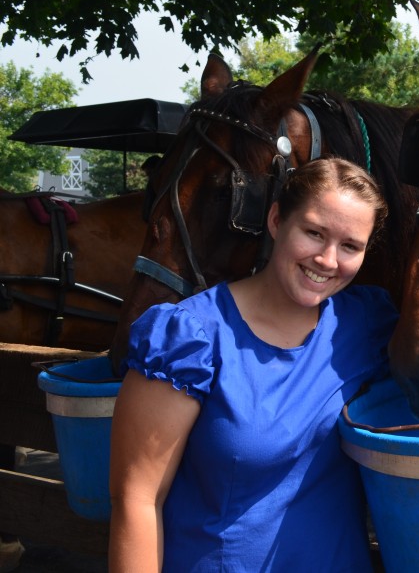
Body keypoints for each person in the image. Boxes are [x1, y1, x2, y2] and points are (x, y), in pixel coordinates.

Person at [109, 157, 397, 572]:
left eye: (350, 246)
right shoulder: (190, 337)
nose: (328, 260)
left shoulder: (367, 325)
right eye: (314, 233)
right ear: (277, 220)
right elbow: (137, 499)